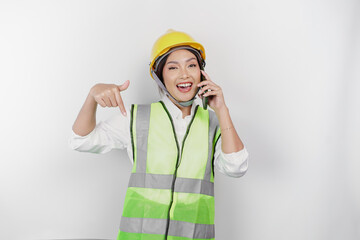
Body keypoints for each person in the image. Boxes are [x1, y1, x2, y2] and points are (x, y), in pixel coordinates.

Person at [69, 29, 249, 240]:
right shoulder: (136, 118)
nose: (184, 74)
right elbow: (80, 140)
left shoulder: (214, 123)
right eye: (173, 67)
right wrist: (92, 96)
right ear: (159, 76)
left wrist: (222, 110)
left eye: (192, 65)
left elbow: (237, 167)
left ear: (201, 72)